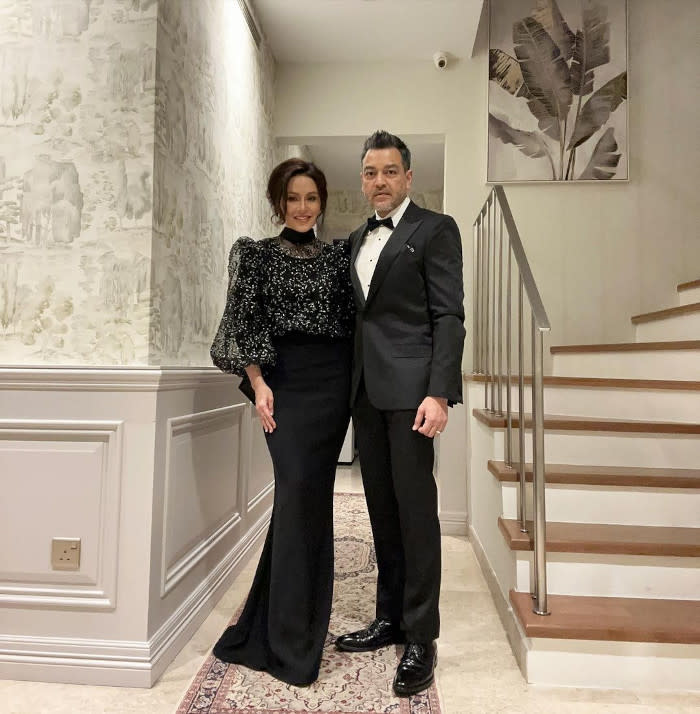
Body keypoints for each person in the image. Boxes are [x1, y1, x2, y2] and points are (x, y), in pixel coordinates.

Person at [210, 158, 354, 686]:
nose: (302, 207)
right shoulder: (256, 255)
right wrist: (259, 384)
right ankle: (288, 635)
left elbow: (353, 322)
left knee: (309, 502)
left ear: (321, 203)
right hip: (284, 385)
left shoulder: (338, 257)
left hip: (332, 386)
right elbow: (246, 323)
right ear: (278, 202)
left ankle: (294, 622)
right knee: (295, 494)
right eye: (293, 198)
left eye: (311, 198)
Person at [335, 131, 465, 697]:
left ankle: (421, 636)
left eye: (390, 171)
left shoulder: (435, 229)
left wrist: (439, 393)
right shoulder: (354, 239)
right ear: (362, 180)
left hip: (414, 396)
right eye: (370, 172)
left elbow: (449, 316)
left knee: (416, 516)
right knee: (382, 512)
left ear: (408, 177)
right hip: (365, 393)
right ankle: (389, 616)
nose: (380, 181)